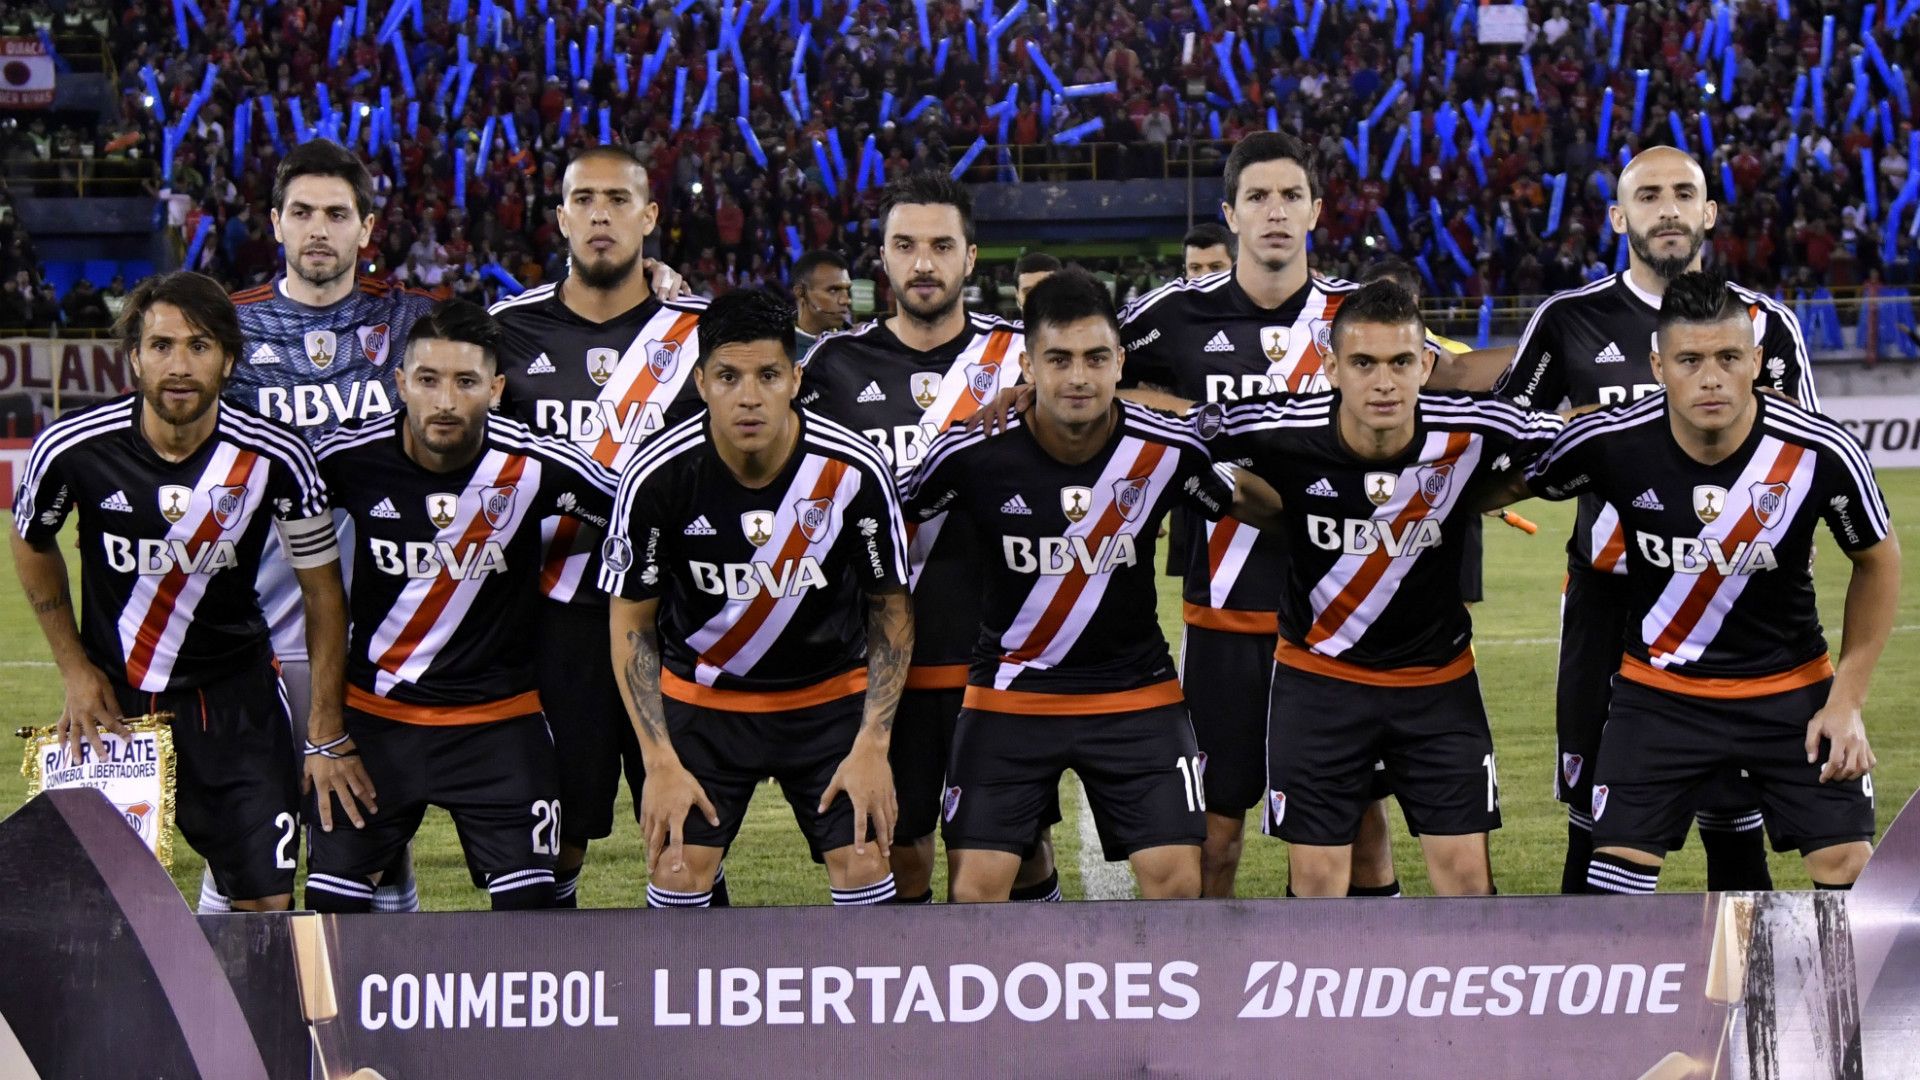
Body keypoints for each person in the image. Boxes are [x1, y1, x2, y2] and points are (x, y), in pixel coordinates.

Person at [1484, 147, 1819, 894]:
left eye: (1682, 194)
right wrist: (1561, 431)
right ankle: (1590, 999)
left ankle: (1744, 1004)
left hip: (1736, 607)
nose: (1666, 208)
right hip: (1611, 601)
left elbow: (1805, 464)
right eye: (1648, 195)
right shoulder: (1568, 321)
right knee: (1595, 819)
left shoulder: (1768, 326)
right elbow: (1505, 440)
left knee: (1735, 829)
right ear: (1618, 216)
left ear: (1708, 213)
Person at [1518, 272, 1895, 894]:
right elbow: (1503, 474)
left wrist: (1847, 702)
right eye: (1690, 360)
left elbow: (1878, 559)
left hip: (1791, 692)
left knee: (1849, 872)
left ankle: (1816, 995)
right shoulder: (1607, 441)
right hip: (1659, 694)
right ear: (1659, 365)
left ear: (1757, 361)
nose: (1711, 377)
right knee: (1612, 884)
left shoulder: (1820, 451)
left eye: (1728, 357)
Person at [904, 269, 1274, 903]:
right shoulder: (972, 451)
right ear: (1028, 364)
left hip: (1136, 693)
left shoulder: (1167, 451)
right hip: (1009, 694)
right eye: (1059, 359)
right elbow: (887, 514)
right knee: (974, 895)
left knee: (1179, 886)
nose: (1078, 377)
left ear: (1120, 361)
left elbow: (1263, 507)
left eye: (1096, 358)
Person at [1200, 280, 1564, 896]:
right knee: (1318, 886)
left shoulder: (1478, 426)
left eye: (1401, 362)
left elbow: (1588, 439)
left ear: (1426, 364)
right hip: (1318, 684)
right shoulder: (1278, 426)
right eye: (1363, 364)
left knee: (1468, 883)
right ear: (1332, 366)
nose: (1384, 382)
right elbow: (1166, 433)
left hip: (1437, 685)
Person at [1114, 131, 1398, 899]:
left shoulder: (1360, 317)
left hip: (1344, 620)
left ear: (1315, 210)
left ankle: (1358, 1010)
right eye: (1258, 198)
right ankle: (1211, 1010)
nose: (1275, 212)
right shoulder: (1168, 318)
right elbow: (1096, 391)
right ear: (1231, 214)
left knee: (1362, 835)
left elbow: (1428, 403)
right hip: (1226, 620)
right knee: (1216, 836)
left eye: (1290, 196)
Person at [12, 271, 347, 914]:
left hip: (236, 704)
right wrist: (75, 670)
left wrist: (324, 722)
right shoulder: (72, 448)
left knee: (267, 915)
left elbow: (323, 593)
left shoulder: (278, 457)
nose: (179, 365)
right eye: (161, 345)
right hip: (113, 706)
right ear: (134, 356)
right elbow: (31, 540)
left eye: (199, 346)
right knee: (97, 919)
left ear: (227, 358)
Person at [304, 300, 617, 913]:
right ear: (400, 384)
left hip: (499, 726)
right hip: (375, 725)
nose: (444, 401)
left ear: (496, 389)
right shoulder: (344, 458)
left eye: (466, 382)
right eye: (427, 380)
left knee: (533, 928)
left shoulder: (535, 462)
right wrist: (323, 736)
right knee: (327, 922)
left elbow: (633, 510)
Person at [602, 289, 911, 909]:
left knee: (864, 862)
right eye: (728, 376)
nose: (749, 396)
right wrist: (658, 761)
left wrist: (873, 745)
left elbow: (891, 611)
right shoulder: (657, 474)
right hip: (705, 704)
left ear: (796, 377)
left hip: (829, 704)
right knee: (676, 869)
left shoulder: (853, 469)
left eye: (768, 375)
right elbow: (632, 622)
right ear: (700, 382)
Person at [798, 172, 1046, 903]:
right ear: (882, 258)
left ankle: (1037, 1013)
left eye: (942, 246)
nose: (924, 263)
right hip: (882, 663)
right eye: (906, 245)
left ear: (971, 258)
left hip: (999, 655)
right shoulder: (832, 368)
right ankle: (917, 1017)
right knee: (900, 847)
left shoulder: (1024, 359)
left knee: (1016, 851)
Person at [224, 138, 440, 915]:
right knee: (249, 851)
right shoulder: (226, 326)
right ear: (275, 223)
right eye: (303, 212)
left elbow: (519, 340)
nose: (320, 229)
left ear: (367, 228)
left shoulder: (413, 317)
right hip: (256, 636)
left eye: (337, 215)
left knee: (373, 843)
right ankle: (243, 1021)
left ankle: (380, 1024)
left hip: (383, 638)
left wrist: (654, 277)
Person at [489, 145, 709, 908]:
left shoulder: (703, 333)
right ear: (560, 218)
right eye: (583, 200)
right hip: (551, 624)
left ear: (649, 217)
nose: (600, 214)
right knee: (555, 841)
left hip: (674, 618)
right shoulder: (504, 334)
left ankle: (693, 1012)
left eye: (618, 200)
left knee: (685, 835)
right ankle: (557, 1013)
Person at [791, 249, 853, 358]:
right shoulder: (777, 351)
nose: (846, 300)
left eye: (847, 290)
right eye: (833, 290)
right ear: (800, 293)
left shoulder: (857, 345)